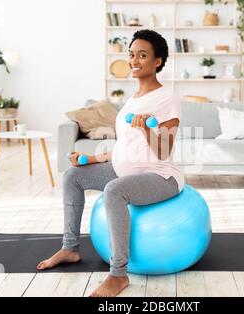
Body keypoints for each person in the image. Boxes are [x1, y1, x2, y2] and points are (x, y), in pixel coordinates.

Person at [37, 29, 185, 297]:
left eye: (143, 55)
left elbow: (164, 151)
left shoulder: (167, 98)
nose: (134, 60)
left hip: (161, 177)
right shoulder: (132, 101)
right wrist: (91, 159)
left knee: (114, 190)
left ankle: (118, 275)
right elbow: (124, 146)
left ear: (158, 61)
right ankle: (70, 248)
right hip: (122, 170)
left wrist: (147, 130)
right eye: (131, 54)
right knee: (73, 175)